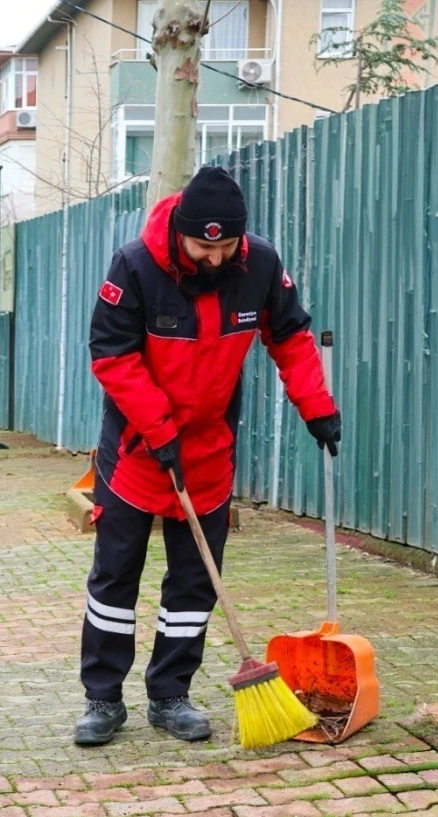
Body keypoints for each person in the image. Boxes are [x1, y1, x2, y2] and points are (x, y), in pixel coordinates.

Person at [75, 166, 342, 746]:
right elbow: (111, 355)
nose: (215, 258)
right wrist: (158, 427)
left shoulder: (260, 265)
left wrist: (316, 407)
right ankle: (102, 699)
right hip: (137, 448)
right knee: (116, 576)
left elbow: (290, 337)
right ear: (181, 233)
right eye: (203, 246)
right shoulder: (135, 266)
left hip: (209, 451)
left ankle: (171, 694)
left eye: (226, 246)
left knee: (196, 582)